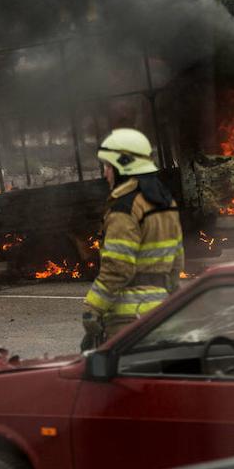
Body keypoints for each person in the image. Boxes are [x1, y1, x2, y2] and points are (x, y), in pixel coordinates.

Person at [81, 128, 184, 351]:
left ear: (123, 165)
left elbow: (118, 268)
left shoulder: (125, 209)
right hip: (162, 312)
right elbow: (177, 259)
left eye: (108, 167)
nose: (105, 174)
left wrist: (93, 309)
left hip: (129, 322)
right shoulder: (165, 202)